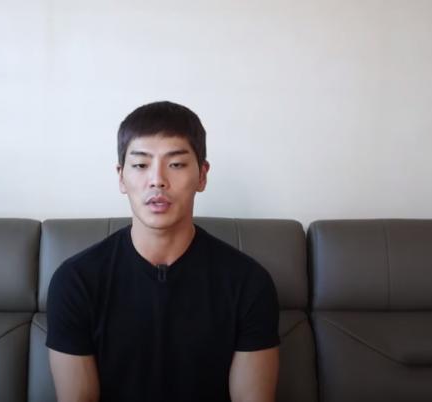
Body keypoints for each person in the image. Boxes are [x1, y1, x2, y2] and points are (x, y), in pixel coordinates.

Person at [46, 101, 280, 402]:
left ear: (202, 175)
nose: (157, 180)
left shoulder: (248, 282)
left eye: (176, 164)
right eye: (140, 165)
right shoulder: (75, 281)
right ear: (121, 176)